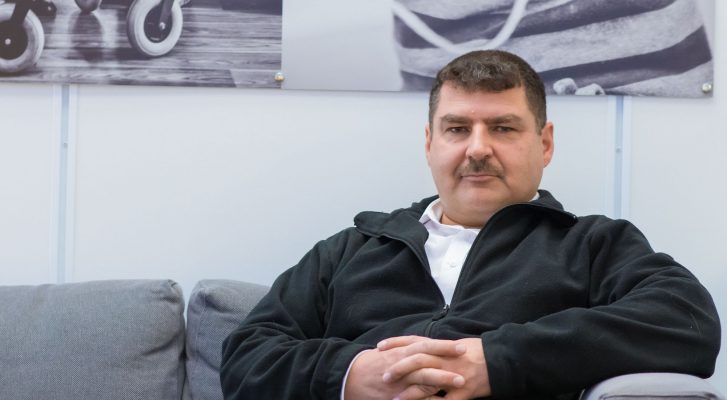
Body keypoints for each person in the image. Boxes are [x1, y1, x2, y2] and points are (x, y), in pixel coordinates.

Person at [220, 50, 720, 400]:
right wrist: (351, 374)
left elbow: (686, 322)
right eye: (457, 128)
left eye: (503, 128)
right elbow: (246, 356)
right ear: (430, 143)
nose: (478, 148)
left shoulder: (592, 243)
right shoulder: (352, 249)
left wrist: (497, 361)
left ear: (544, 143)